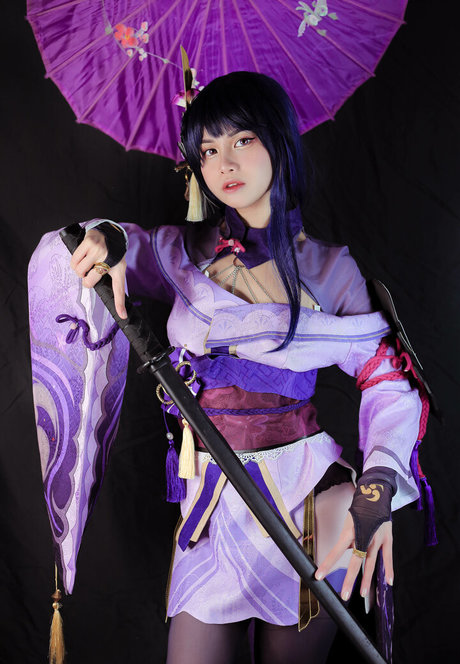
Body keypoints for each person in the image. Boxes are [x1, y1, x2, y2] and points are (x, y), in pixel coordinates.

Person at [65, 72, 422, 663]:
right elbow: (119, 245)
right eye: (207, 149)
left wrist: (377, 488)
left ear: (278, 141)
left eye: (243, 140)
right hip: (212, 501)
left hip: (307, 503)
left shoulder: (331, 269)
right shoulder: (181, 253)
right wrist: (103, 238)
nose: (224, 163)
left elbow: (388, 383)